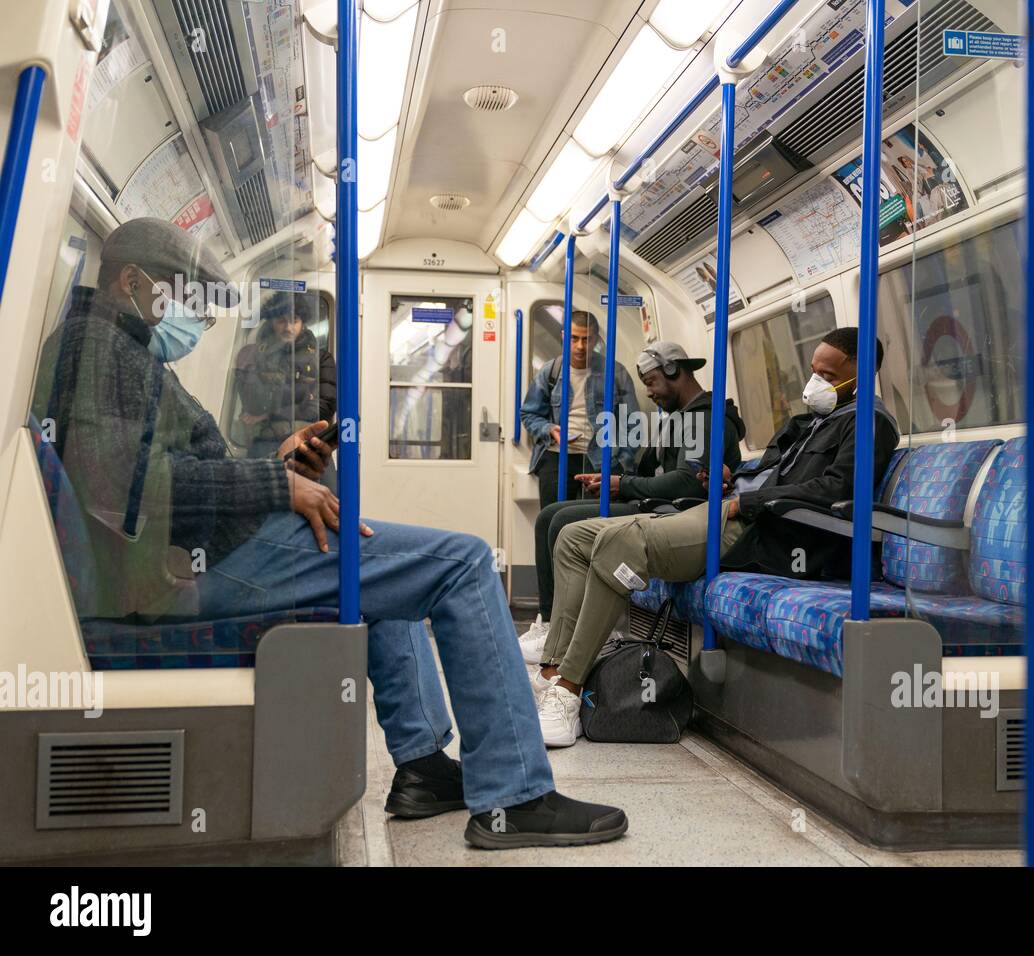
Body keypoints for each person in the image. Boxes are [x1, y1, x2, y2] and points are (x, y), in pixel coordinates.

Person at [31, 217, 626, 849]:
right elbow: (122, 487)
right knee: (465, 561)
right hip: (199, 566)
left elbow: (161, 474)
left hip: (212, 546)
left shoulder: (117, 345)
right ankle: (516, 795)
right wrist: (273, 487)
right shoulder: (96, 349)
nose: (188, 311)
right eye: (180, 292)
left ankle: (423, 768)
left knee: (380, 568)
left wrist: (274, 466)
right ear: (131, 281)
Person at [534, 327, 899, 747]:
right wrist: (734, 478)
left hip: (769, 533)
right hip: (733, 508)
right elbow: (776, 470)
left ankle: (569, 692)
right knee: (574, 537)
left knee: (621, 542)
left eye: (828, 374)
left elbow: (836, 489)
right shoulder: (812, 422)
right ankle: (552, 672)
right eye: (813, 370)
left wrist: (749, 502)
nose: (814, 382)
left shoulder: (869, 423)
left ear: (859, 372)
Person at [517, 342, 745, 664]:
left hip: (677, 512)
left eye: (651, 382)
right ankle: (552, 624)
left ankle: (566, 635)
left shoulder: (704, 420)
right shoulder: (676, 419)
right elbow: (649, 471)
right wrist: (615, 484)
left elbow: (686, 481)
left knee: (562, 522)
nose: (649, 393)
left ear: (673, 371)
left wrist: (624, 484)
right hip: (658, 503)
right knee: (550, 516)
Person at [519, 310, 639, 508]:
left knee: (595, 524)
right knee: (551, 519)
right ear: (564, 336)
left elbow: (632, 422)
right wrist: (550, 429)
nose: (580, 346)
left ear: (596, 340)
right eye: (574, 339)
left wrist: (621, 462)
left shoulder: (616, 372)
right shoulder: (551, 371)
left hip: (601, 458)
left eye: (587, 339)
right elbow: (529, 414)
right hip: (556, 456)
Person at [234, 291, 337, 489]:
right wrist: (301, 401)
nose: (288, 327)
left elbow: (322, 409)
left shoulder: (321, 359)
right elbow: (254, 403)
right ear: (272, 322)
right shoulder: (252, 355)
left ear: (303, 323)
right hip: (264, 442)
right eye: (282, 321)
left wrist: (268, 414)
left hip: (309, 445)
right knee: (256, 508)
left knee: (331, 505)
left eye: (294, 320)